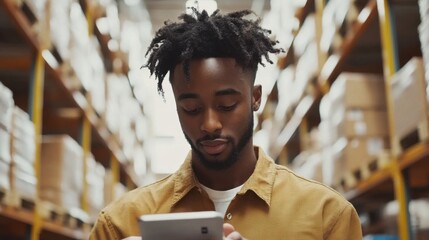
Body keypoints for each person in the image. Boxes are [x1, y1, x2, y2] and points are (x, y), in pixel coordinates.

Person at [89, 8, 362, 240]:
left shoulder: (327, 216)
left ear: (255, 98)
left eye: (226, 105)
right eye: (191, 108)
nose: (209, 124)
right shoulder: (120, 224)